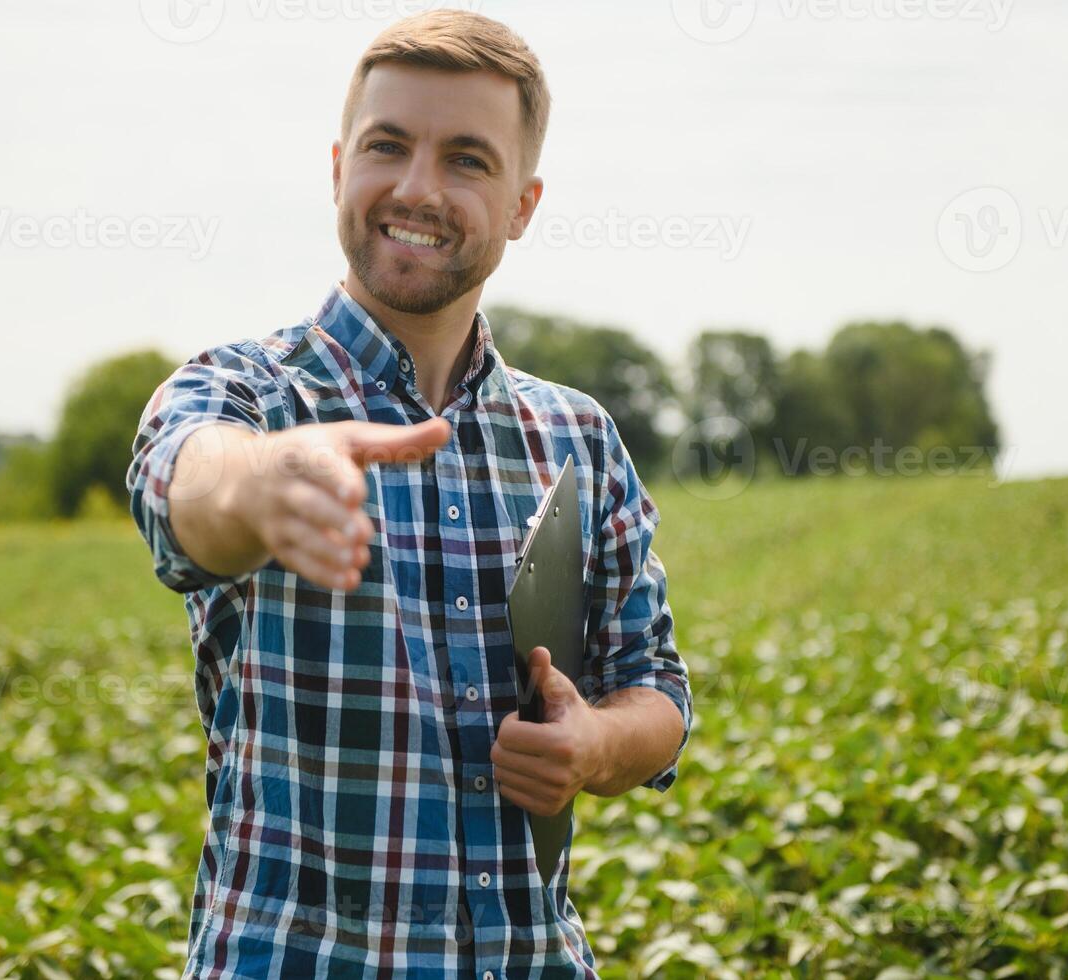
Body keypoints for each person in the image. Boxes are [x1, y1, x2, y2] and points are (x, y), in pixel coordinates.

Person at [126, 11, 692, 977]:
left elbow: (657, 691)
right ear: (341, 165)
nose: (417, 188)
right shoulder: (246, 397)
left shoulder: (578, 439)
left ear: (522, 202)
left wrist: (595, 743)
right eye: (388, 146)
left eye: (468, 159)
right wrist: (267, 483)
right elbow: (189, 485)